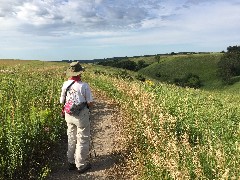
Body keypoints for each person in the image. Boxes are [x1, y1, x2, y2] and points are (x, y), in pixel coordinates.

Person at [60, 61, 94, 174]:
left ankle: (71, 162)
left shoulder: (65, 84)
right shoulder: (84, 86)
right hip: (81, 116)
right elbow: (90, 103)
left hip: (68, 114)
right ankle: (81, 165)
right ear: (80, 73)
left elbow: (62, 101)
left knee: (71, 137)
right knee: (82, 139)